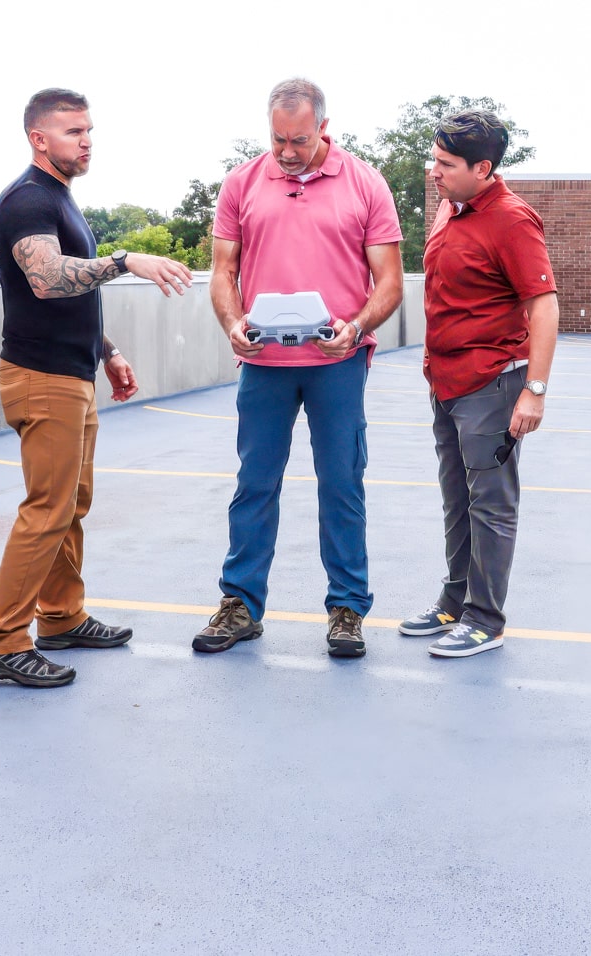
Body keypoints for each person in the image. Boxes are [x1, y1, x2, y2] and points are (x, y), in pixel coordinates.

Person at [0, 88, 194, 688]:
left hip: (73, 373)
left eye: (89, 130)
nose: (86, 141)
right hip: (41, 379)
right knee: (46, 511)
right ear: (38, 138)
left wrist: (108, 350)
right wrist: (125, 261)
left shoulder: (60, 200)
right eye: (72, 132)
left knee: (71, 506)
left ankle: (61, 618)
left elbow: (74, 296)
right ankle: (0, 640)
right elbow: (46, 280)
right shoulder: (27, 201)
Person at [193, 78, 404, 659]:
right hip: (263, 362)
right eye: (278, 139)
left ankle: (347, 609)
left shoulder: (365, 183)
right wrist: (232, 323)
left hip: (337, 361)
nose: (286, 152)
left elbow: (388, 281)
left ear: (324, 129)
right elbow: (221, 272)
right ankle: (239, 605)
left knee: (342, 484)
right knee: (254, 484)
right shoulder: (241, 183)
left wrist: (356, 328)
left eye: (300, 140)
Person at [399, 110, 559, 659]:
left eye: (446, 164)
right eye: (435, 159)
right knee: (457, 502)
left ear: (483, 167)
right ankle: (454, 600)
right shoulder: (450, 207)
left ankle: (485, 619)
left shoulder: (514, 221)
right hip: (445, 384)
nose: (434, 171)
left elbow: (543, 305)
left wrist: (533, 389)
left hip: (491, 384)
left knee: (491, 504)